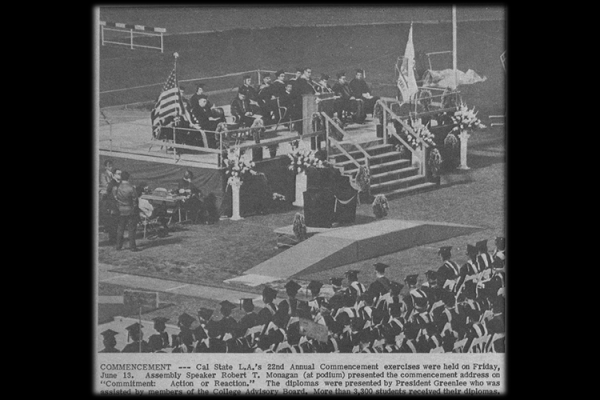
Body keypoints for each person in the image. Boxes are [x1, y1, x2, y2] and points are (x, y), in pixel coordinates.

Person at [114, 171, 139, 252]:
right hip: (130, 210)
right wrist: (134, 209)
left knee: (120, 228)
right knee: (131, 229)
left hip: (120, 210)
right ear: (128, 178)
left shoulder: (117, 187)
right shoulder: (131, 188)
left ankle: (118, 246)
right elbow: (135, 200)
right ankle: (132, 247)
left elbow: (116, 198)